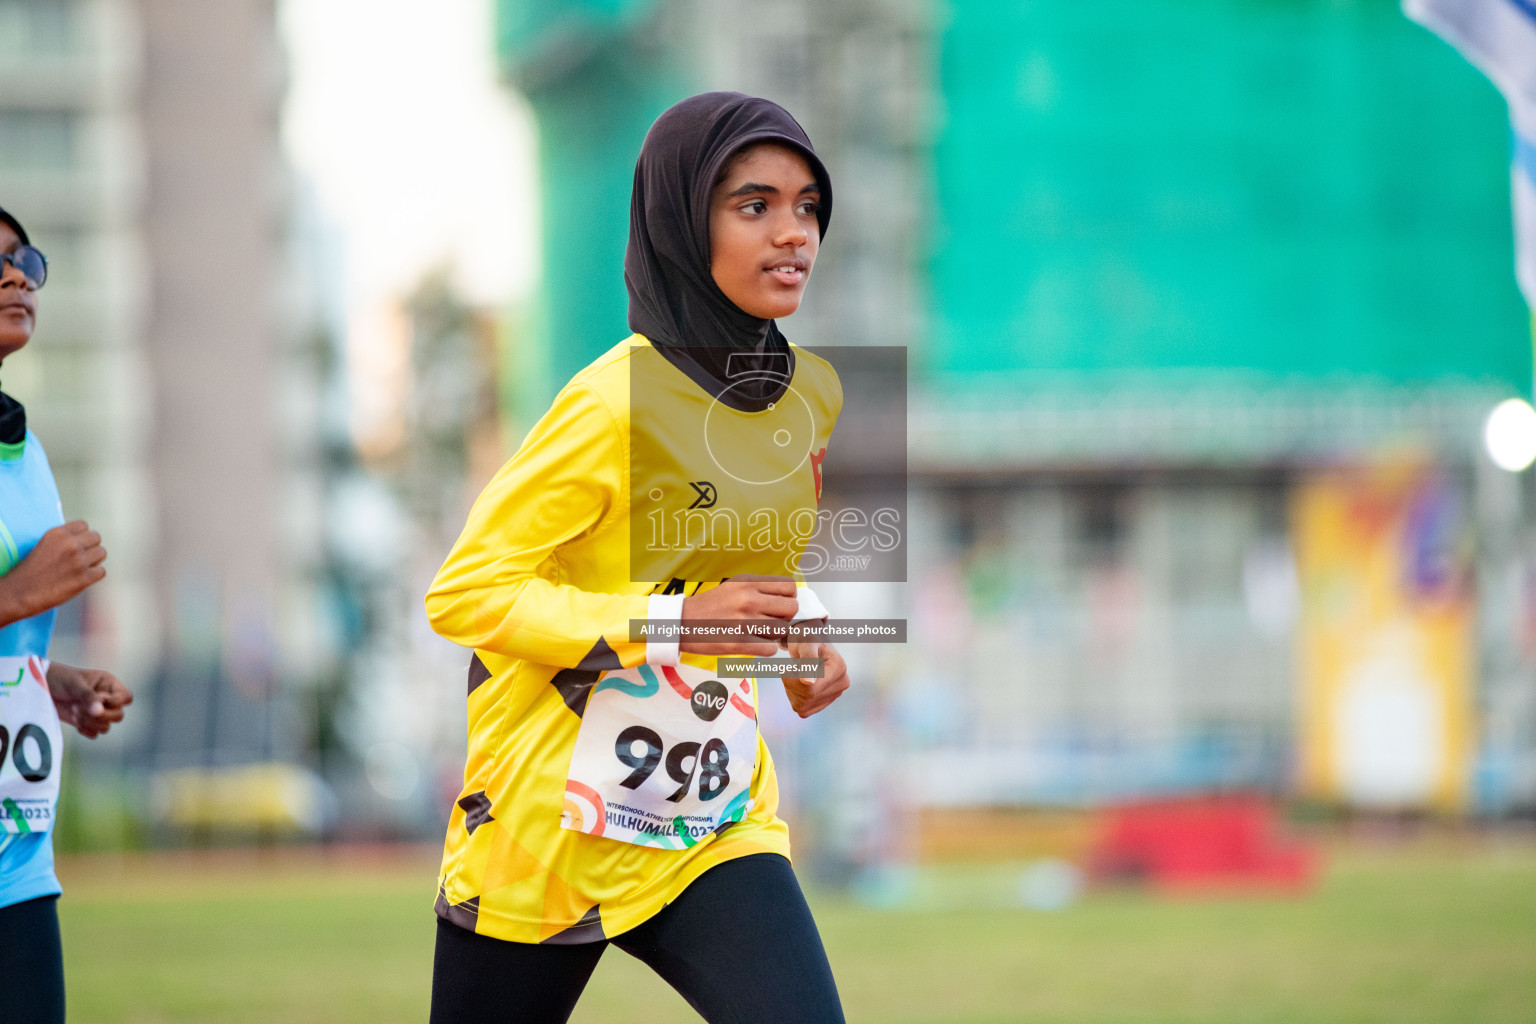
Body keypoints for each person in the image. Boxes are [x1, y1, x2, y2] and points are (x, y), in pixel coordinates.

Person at [426, 93, 851, 1023]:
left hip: (712, 815)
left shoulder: (810, 396)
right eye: (755, 206)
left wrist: (807, 641)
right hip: (547, 828)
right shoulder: (608, 404)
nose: (794, 234)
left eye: (808, 206)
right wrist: (673, 624)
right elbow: (465, 593)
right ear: (678, 219)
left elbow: (739, 563)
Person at [0, 204, 133, 1024]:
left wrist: (52, 681)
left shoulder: (26, 449)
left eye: (25, 261)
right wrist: (18, 593)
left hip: (17, 856)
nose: (17, 276)